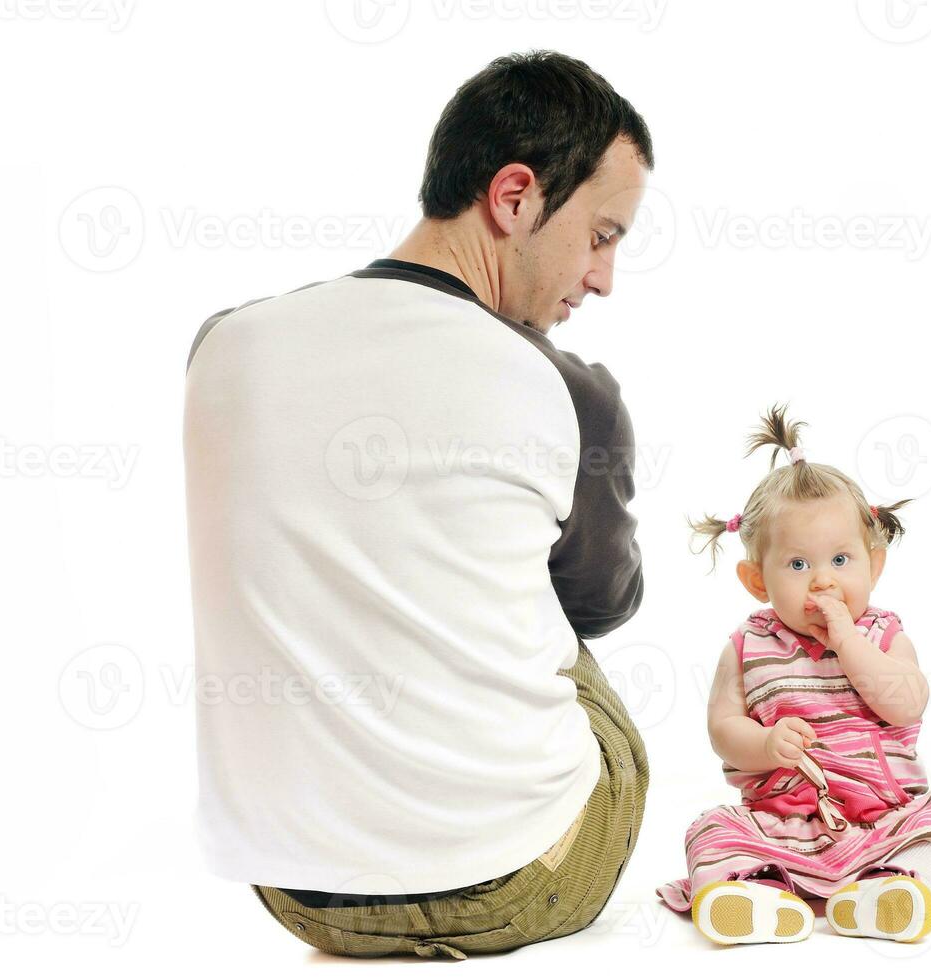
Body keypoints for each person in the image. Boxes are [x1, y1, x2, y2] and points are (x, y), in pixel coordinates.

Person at [183, 51, 655, 958]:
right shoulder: (565, 389)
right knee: (543, 608)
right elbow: (602, 607)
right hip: (531, 878)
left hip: (298, 891)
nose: (602, 279)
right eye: (602, 235)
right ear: (514, 197)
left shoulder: (222, 347)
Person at [657, 406, 931, 945]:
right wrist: (764, 743)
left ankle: (898, 891)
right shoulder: (748, 646)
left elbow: (907, 703)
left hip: (884, 819)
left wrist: (847, 641)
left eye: (840, 559)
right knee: (710, 833)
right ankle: (754, 897)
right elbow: (722, 730)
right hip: (781, 824)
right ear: (756, 579)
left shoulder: (882, 634)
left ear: (874, 567)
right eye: (798, 566)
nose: (823, 582)